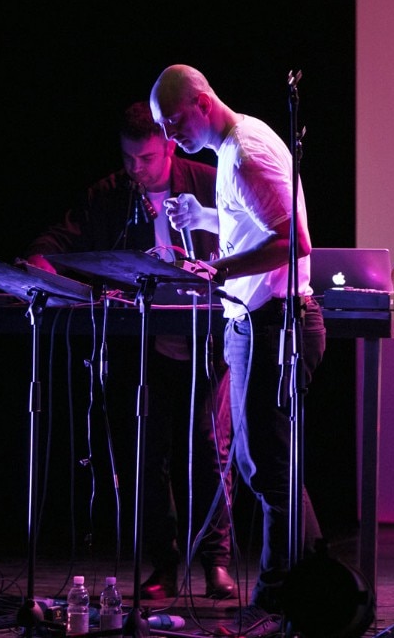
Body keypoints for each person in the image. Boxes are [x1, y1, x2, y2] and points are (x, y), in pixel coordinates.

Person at [24, 101, 237, 601]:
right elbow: (63, 236)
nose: (135, 169)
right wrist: (39, 259)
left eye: (145, 158)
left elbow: (250, 232)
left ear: (169, 147)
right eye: (127, 158)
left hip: (208, 339)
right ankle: (164, 563)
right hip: (145, 345)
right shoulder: (110, 194)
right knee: (146, 453)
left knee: (209, 450)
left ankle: (216, 562)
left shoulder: (210, 182)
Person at [149, 65, 326, 636]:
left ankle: (277, 599)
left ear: (201, 102)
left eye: (172, 121)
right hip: (257, 323)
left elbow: (293, 240)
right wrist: (205, 217)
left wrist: (218, 268)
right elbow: (255, 220)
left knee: (268, 469)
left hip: (276, 324)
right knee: (269, 467)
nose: (169, 137)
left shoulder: (245, 152)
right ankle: (314, 587)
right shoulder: (234, 147)